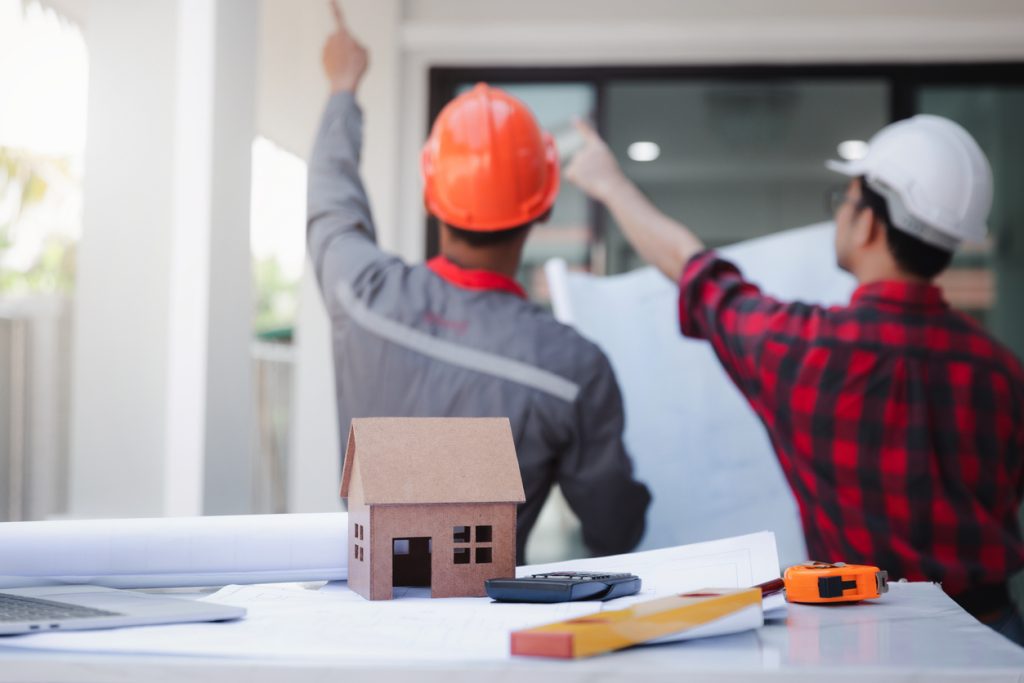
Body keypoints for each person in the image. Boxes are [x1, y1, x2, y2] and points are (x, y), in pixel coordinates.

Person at [565, 114, 1024, 643]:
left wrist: (610, 185)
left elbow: (696, 272)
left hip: (867, 640)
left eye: (846, 200)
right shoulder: (1001, 370)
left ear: (869, 225)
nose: (840, 214)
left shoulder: (808, 350)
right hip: (995, 635)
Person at [307, 4, 650, 562]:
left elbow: (331, 202)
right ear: (542, 208)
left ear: (431, 196)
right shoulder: (571, 370)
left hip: (364, 607)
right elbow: (614, 531)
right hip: (490, 615)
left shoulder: (363, 296)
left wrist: (343, 87)